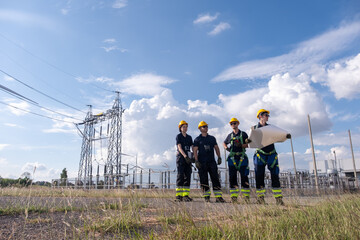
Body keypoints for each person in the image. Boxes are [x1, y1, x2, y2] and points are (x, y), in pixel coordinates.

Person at [253, 109, 288, 205]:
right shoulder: (254, 128)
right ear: (260, 116)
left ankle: (279, 199)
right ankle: (260, 199)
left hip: (271, 154)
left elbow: (279, 135)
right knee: (259, 176)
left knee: (275, 176)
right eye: (266, 115)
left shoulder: (271, 128)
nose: (267, 117)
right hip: (260, 154)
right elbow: (252, 140)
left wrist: (285, 136)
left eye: (268, 115)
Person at [193, 121, 225, 203]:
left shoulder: (212, 138)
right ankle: (207, 197)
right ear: (200, 129)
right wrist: (196, 161)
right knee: (204, 180)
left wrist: (219, 157)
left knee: (215, 179)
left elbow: (216, 148)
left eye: (206, 126)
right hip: (202, 163)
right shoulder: (197, 139)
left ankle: (218, 197)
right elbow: (195, 151)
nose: (206, 128)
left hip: (211, 162)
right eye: (204, 126)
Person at [223, 118, 251, 203]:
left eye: (234, 123)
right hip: (233, 158)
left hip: (242, 158)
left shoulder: (243, 134)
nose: (233, 125)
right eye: (231, 124)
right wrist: (226, 148)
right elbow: (224, 142)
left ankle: (246, 197)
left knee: (244, 177)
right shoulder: (230, 136)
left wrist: (241, 145)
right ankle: (234, 198)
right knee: (232, 178)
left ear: (238, 124)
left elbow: (249, 144)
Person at [175, 120, 194, 202]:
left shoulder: (189, 137)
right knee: (180, 176)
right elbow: (179, 147)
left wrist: (193, 155)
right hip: (181, 159)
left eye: (186, 127)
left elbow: (192, 147)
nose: (185, 128)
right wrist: (185, 156)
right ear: (180, 128)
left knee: (187, 177)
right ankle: (179, 196)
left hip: (188, 160)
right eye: (183, 127)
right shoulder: (178, 136)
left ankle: (185, 195)